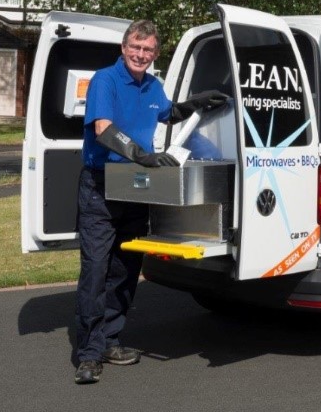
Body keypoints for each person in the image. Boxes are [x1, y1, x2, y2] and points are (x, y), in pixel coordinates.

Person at [74, 20, 226, 384]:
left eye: (148, 50)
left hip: (136, 189)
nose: (140, 55)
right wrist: (143, 156)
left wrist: (195, 104)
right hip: (100, 187)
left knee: (125, 269)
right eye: (135, 47)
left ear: (155, 54)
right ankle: (90, 354)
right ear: (124, 47)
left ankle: (111, 340)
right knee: (95, 270)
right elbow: (103, 129)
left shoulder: (154, 85)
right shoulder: (105, 80)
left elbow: (166, 113)